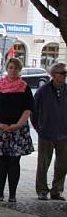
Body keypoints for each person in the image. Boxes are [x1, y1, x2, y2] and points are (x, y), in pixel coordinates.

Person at [0, 58, 34, 203]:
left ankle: (12, 194)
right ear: (7, 68)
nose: (13, 71)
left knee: (14, 162)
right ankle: (0, 193)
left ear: (20, 70)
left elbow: (28, 109)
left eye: (16, 68)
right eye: (11, 68)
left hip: (18, 130)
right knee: (0, 162)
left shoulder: (25, 87)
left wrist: (18, 125)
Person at [32, 62, 67, 201]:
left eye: (65, 73)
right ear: (53, 75)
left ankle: (57, 190)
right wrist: (39, 127)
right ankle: (41, 190)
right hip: (46, 132)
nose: (64, 76)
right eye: (62, 73)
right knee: (43, 163)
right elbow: (33, 111)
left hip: (64, 133)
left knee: (63, 164)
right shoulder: (43, 91)